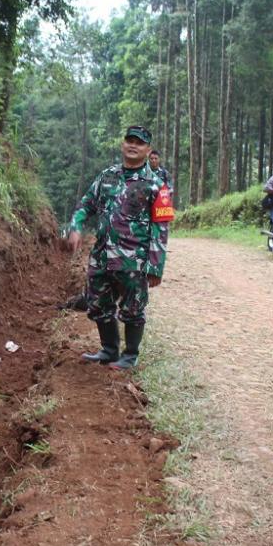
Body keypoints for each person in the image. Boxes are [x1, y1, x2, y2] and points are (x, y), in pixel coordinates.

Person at [66, 126, 168, 370]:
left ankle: (129, 356)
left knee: (133, 308)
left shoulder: (156, 185)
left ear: (148, 150)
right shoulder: (106, 176)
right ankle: (109, 350)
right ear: (123, 144)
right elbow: (86, 204)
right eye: (129, 140)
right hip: (101, 255)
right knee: (98, 303)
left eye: (139, 143)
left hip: (134, 258)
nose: (133, 145)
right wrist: (76, 226)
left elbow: (161, 227)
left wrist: (155, 265)